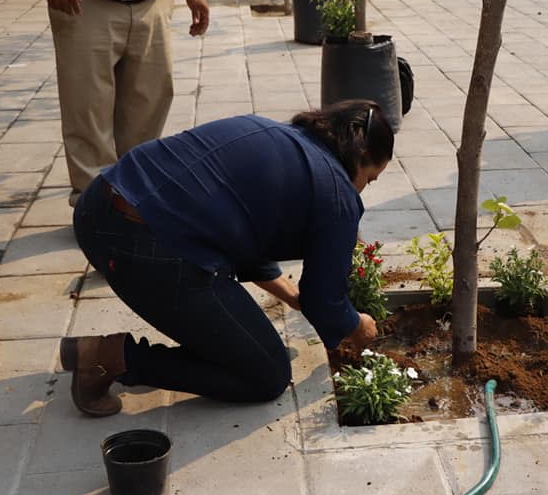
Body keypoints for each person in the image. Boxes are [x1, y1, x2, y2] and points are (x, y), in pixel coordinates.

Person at [59, 101, 394, 416]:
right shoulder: (336, 194)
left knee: (233, 336)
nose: (362, 189)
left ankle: (123, 353)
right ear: (360, 154)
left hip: (95, 211)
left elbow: (244, 230)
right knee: (266, 373)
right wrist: (356, 325)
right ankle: (107, 358)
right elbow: (326, 302)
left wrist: (290, 296)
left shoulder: (272, 132)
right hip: (144, 248)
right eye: (370, 178)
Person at [28, 0, 210, 207]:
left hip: (154, 1)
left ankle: (131, 198)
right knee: (87, 104)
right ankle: (94, 206)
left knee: (148, 100)